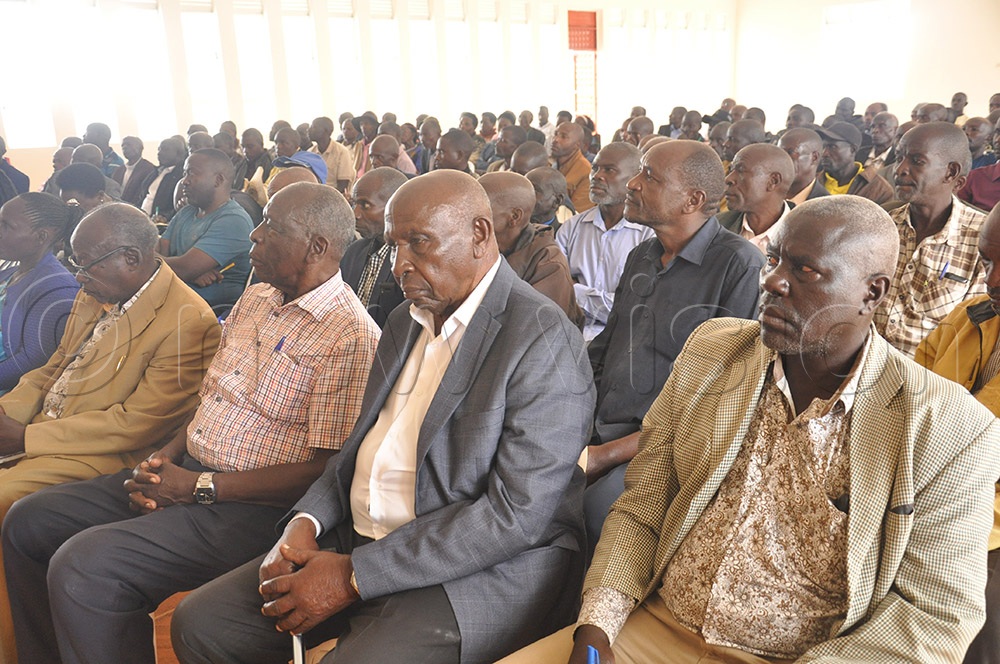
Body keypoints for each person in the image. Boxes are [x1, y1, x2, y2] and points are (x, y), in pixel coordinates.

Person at [502, 195, 1000, 664]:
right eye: (775, 259)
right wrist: (596, 629)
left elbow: (933, 619)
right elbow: (643, 506)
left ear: (872, 293)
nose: (774, 282)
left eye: (806, 270)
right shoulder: (714, 351)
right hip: (655, 626)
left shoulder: (947, 427)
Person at [169, 170, 596, 664]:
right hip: (362, 531)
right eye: (394, 246)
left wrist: (354, 575)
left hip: (480, 568)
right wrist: (305, 522)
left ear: (481, 235)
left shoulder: (541, 338)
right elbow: (354, 452)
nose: (400, 266)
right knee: (204, 624)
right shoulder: (404, 321)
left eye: (419, 243)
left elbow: (513, 517)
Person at [1, 182, 380, 664]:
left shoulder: (350, 336)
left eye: (272, 228)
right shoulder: (258, 298)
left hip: (252, 506)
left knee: (88, 566)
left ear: (318, 247)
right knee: (30, 521)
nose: (254, 236)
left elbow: (323, 472)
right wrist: (164, 459)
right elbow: (211, 399)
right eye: (260, 222)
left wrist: (199, 487)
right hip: (188, 472)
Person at [0, 203, 220, 663]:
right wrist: (8, 416)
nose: (76, 276)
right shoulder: (97, 289)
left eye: (84, 264)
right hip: (47, 432)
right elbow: (50, 370)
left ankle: (17, 650)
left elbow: (135, 425)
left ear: (131, 259)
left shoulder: (187, 321)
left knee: (5, 500)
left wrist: (25, 440)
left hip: (104, 455)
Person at [579, 140, 763, 557]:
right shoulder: (643, 254)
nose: (633, 184)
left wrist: (605, 455)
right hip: (604, 423)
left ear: (692, 200)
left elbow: (722, 401)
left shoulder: (739, 265)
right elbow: (606, 349)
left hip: (669, 444)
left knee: (596, 509)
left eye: (649, 176)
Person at [915, 203, 1000, 664]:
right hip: (921, 500)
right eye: (987, 261)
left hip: (986, 529)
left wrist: (948, 512)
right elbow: (901, 405)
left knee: (975, 633)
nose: (992, 279)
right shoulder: (972, 315)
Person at [875, 121, 987, 357]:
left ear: (951, 173)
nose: (900, 169)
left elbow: (972, 341)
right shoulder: (882, 226)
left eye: (917, 161)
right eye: (899, 157)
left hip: (929, 380)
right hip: (861, 365)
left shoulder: (981, 239)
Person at [556, 142, 653, 342]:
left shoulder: (649, 235)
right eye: (595, 168)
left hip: (623, 343)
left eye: (609, 170)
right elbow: (555, 292)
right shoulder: (571, 228)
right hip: (569, 337)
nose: (597, 176)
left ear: (635, 178)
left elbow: (633, 310)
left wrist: (575, 289)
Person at [158, 149, 254, 316]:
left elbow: (182, 267)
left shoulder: (233, 220)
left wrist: (184, 270)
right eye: (184, 174)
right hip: (178, 296)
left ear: (218, 180)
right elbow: (158, 253)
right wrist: (187, 272)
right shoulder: (187, 211)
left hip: (207, 311)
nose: (184, 182)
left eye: (192, 174)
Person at [479, 172, 583, 326]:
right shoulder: (475, 242)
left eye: (481, 208)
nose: (468, 215)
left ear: (514, 216)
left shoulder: (547, 261)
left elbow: (533, 327)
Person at [0, 194, 80, 393]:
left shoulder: (57, 289)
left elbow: (31, 363)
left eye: (6, 225)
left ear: (41, 237)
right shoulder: (14, 269)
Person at [341, 167, 408, 328]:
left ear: (394, 207)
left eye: (365, 205)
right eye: (354, 204)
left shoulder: (409, 262)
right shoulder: (353, 252)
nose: (355, 214)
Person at [718, 144, 795, 252]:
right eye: (731, 170)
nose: (728, 179)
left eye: (740, 171)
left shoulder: (805, 237)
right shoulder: (718, 226)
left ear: (773, 181)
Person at [815, 122, 894, 204]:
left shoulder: (878, 188)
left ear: (852, 150)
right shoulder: (812, 181)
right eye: (823, 147)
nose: (824, 154)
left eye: (832, 147)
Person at [777, 127, 830, 205]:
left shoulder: (827, 207)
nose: (782, 159)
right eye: (779, 153)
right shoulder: (767, 194)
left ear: (814, 158)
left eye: (790, 152)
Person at [140, 136, 187, 220]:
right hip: (142, 218)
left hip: (162, 222)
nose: (159, 153)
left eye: (165, 150)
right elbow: (142, 196)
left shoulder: (182, 175)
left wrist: (165, 217)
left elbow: (180, 206)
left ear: (179, 153)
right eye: (159, 149)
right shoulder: (155, 172)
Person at [552, 122, 595, 213]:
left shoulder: (586, 172)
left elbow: (576, 213)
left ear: (577, 145)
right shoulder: (548, 163)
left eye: (563, 137)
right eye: (555, 134)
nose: (555, 140)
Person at [308, 116, 355, 193]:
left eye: (314, 127)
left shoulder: (341, 152)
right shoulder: (310, 152)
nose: (309, 130)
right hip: (314, 194)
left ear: (326, 131)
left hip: (334, 196)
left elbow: (343, 185)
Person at [112, 136, 158, 208]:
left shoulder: (149, 169)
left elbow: (143, 194)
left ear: (140, 148)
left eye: (129, 144)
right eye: (123, 145)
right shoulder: (119, 170)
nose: (125, 147)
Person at [526, 167, 571, 232]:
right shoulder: (510, 229)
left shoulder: (564, 236)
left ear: (557, 201)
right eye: (525, 189)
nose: (525, 195)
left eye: (534, 191)